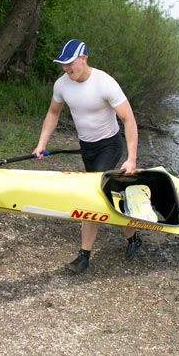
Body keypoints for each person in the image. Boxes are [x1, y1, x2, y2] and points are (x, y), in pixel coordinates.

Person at [32, 39, 140, 274]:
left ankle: (84, 256)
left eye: (70, 64)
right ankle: (133, 237)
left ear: (84, 58)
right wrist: (41, 144)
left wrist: (131, 158)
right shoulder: (62, 85)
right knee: (110, 196)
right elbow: (52, 113)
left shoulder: (104, 83)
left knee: (91, 194)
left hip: (109, 146)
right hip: (87, 147)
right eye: (63, 65)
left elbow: (128, 119)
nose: (66, 69)